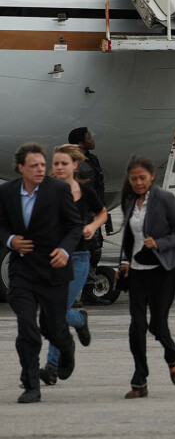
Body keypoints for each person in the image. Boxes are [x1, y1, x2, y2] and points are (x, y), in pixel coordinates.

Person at [0, 143, 83, 403]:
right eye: (33, 165)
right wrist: (11, 240)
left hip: (53, 270)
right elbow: (1, 225)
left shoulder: (58, 190)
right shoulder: (7, 192)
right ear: (20, 167)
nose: (40, 169)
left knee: (53, 328)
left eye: (42, 165)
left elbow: (75, 226)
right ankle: (31, 385)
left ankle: (66, 346)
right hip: (22, 271)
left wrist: (65, 250)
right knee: (27, 328)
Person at [117, 155, 175, 399]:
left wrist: (159, 243)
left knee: (158, 326)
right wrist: (124, 262)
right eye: (134, 179)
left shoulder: (164, 199)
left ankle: (172, 357)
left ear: (152, 177)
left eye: (142, 178)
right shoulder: (129, 200)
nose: (138, 183)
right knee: (136, 327)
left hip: (162, 272)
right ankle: (140, 380)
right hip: (137, 273)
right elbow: (129, 237)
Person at [39, 145, 107, 386]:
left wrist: (92, 226)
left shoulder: (85, 192)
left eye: (64, 163)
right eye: (55, 163)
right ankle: (79, 320)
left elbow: (102, 214)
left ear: (75, 166)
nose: (59, 167)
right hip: (52, 258)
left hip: (78, 258)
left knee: (57, 313)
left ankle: (51, 367)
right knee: (53, 313)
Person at [68, 127, 110, 306]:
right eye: (89, 137)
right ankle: (69, 293)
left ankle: (88, 290)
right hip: (78, 213)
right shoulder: (70, 162)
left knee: (94, 250)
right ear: (81, 143)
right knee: (75, 252)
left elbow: (98, 187)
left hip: (93, 213)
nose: (93, 140)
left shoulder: (92, 160)